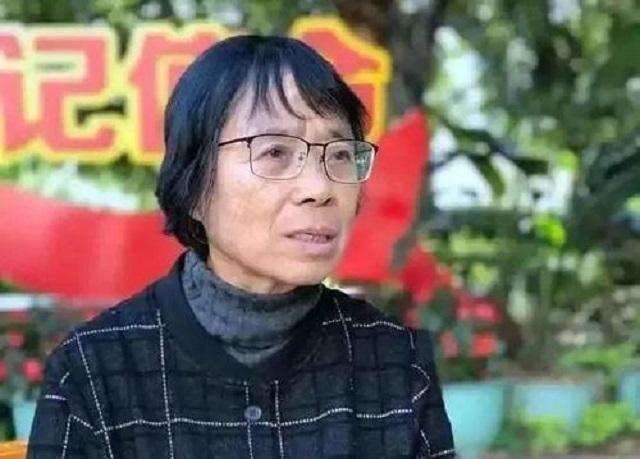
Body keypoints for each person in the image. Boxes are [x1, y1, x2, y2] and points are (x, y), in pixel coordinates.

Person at [27, 35, 454, 458]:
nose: (320, 187)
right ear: (194, 186)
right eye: (275, 152)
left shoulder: (395, 360)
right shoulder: (93, 369)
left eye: (340, 154)